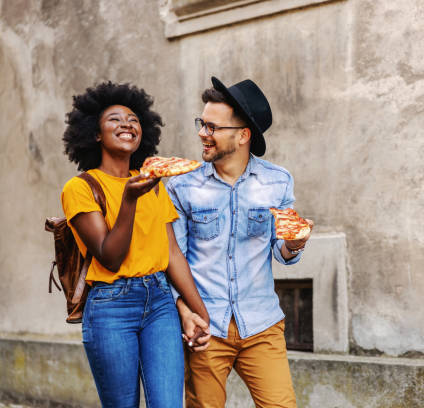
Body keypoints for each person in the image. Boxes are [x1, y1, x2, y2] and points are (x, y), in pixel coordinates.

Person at [61, 81, 211, 408]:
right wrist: (129, 199)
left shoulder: (154, 184)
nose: (127, 124)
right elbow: (110, 256)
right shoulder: (80, 188)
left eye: (133, 119)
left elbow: (172, 253)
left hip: (159, 303)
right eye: (114, 119)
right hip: (110, 306)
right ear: (95, 133)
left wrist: (201, 313)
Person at [166, 76, 314, 408]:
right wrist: (185, 312)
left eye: (213, 127)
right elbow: (173, 257)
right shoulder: (182, 186)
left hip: (261, 324)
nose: (203, 133)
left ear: (243, 135)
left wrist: (296, 243)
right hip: (206, 327)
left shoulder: (277, 181)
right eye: (202, 124)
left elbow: (282, 249)